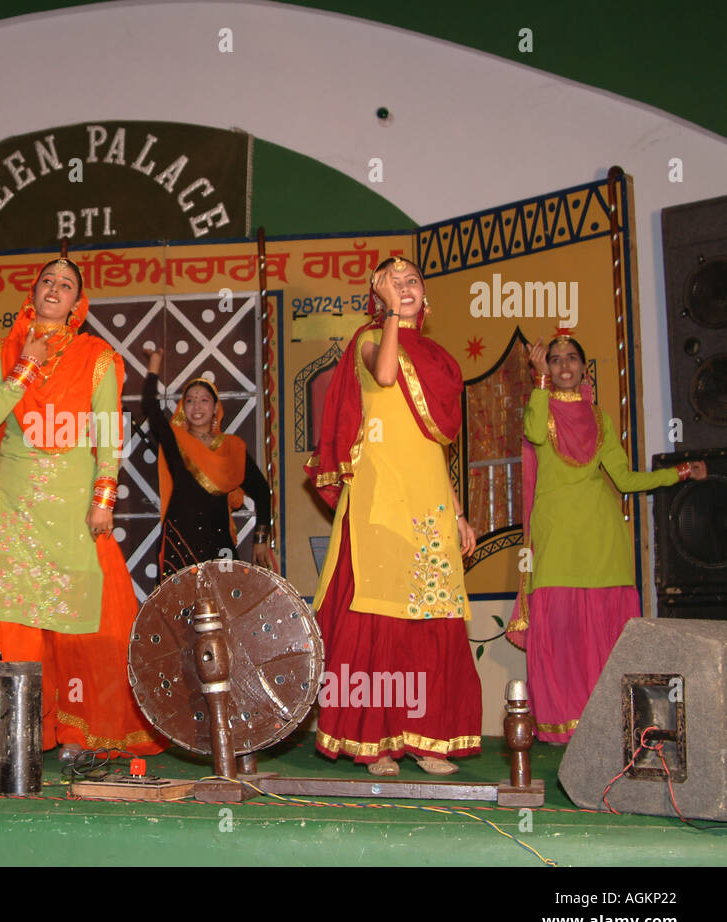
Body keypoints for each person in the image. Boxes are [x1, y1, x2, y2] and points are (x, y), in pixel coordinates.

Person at [0, 258, 163, 759]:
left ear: (76, 304)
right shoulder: (2, 350)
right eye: (49, 280)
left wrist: (103, 498)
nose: (55, 288)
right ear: (34, 290)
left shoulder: (98, 356)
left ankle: (81, 733)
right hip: (13, 509)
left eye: (67, 285)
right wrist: (26, 366)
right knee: (5, 621)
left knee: (88, 623)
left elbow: (108, 435)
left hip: (74, 509)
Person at [305, 257, 481, 776]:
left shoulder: (441, 360)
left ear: (427, 297)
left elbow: (437, 445)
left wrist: (458, 512)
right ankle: (376, 743)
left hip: (428, 500)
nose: (404, 288)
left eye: (411, 282)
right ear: (377, 296)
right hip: (380, 499)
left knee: (432, 617)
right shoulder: (367, 340)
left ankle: (428, 739)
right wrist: (387, 317)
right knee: (379, 617)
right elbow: (384, 374)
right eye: (391, 283)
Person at [510, 334, 706, 743]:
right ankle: (564, 728)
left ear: (584, 367)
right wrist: (539, 382)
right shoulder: (539, 404)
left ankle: (606, 726)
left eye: (572, 359)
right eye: (555, 359)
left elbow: (624, 478)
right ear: (545, 368)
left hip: (602, 537)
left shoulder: (599, 417)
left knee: (603, 636)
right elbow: (534, 432)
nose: (564, 365)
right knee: (561, 635)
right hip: (558, 537)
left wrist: (679, 472)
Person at [141, 346, 274, 575]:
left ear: (215, 409)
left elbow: (262, 492)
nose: (197, 406)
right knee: (179, 608)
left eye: (204, 400)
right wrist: (155, 363)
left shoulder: (231, 447)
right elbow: (150, 407)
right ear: (183, 408)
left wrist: (260, 539)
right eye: (190, 401)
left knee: (224, 607)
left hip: (218, 542)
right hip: (180, 541)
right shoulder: (176, 439)